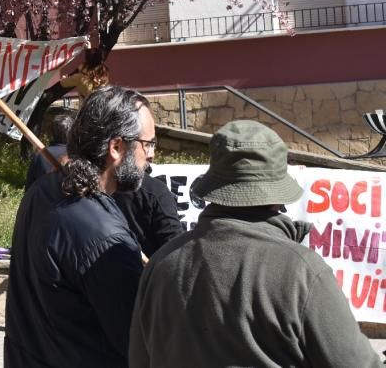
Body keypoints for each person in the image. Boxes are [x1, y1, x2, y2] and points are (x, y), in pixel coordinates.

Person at [129, 120, 381, 368]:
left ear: (214, 189)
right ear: (276, 198)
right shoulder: (301, 271)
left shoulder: (161, 265)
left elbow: (139, 360)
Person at [5, 85, 152, 368]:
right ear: (117, 147)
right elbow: (138, 343)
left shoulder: (43, 191)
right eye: (149, 144)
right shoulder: (105, 238)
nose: (152, 155)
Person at [23, 111, 74, 189]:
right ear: (72, 133)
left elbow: (29, 188)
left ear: (51, 133)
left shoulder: (40, 155)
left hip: (42, 199)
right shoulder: (77, 156)